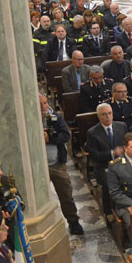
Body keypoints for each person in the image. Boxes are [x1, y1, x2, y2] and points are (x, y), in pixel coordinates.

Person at [39, 94, 83, 235]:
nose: (44, 106)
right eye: (40, 104)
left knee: (66, 194)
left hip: (56, 164)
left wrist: (50, 138)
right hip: (38, 168)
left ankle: (73, 222)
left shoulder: (56, 118)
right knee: (40, 200)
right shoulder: (28, 120)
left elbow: (66, 136)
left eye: (45, 103)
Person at [85, 103, 127, 212]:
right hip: (104, 166)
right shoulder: (92, 133)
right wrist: (112, 153)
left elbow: (127, 144)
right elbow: (94, 155)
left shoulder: (121, 126)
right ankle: (109, 211)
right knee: (110, 186)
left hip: (122, 163)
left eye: (109, 113)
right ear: (99, 116)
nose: (107, 116)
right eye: (104, 114)